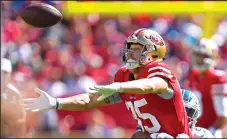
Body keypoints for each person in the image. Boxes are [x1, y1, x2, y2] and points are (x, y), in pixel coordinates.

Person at [24, 28, 191, 137]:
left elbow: (153, 85)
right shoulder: (124, 75)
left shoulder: (159, 71)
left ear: (152, 54)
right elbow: (90, 101)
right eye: (129, 48)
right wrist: (56, 102)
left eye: (136, 49)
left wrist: (119, 87)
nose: (130, 54)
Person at [184, 38, 227, 138]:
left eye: (203, 56)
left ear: (213, 57)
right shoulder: (192, 75)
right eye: (197, 55)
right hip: (193, 130)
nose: (199, 59)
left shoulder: (217, 78)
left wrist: (212, 131)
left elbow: (224, 115)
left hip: (209, 132)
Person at [149, 89, 214, 138]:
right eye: (175, 110)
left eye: (187, 110)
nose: (181, 116)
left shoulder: (202, 135)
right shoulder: (156, 132)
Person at [1, 58, 26, 138]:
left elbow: (22, 118)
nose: (2, 75)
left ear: (10, 74)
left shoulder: (15, 94)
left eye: (5, 72)